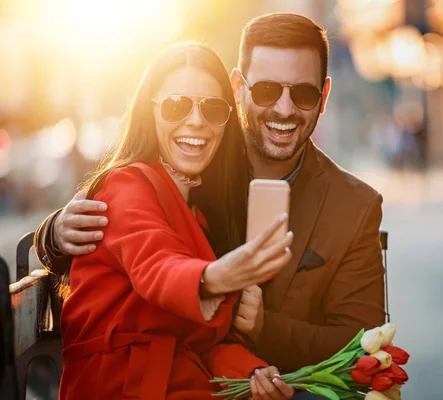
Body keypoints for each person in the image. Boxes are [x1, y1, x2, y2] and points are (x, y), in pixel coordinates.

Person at [35, 13, 386, 372]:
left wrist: (266, 329)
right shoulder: (191, 163)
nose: (284, 109)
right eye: (266, 90)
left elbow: (363, 342)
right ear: (238, 88)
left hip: (284, 384)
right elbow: (135, 230)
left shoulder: (356, 205)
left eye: (304, 94)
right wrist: (56, 232)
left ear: (324, 95)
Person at [55, 42, 295, 400]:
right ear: (149, 112)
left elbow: (198, 343)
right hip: (122, 387)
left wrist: (252, 371)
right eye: (176, 105)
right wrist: (213, 278)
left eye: (213, 109)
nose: (196, 121)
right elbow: (156, 263)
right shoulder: (126, 185)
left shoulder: (199, 214)